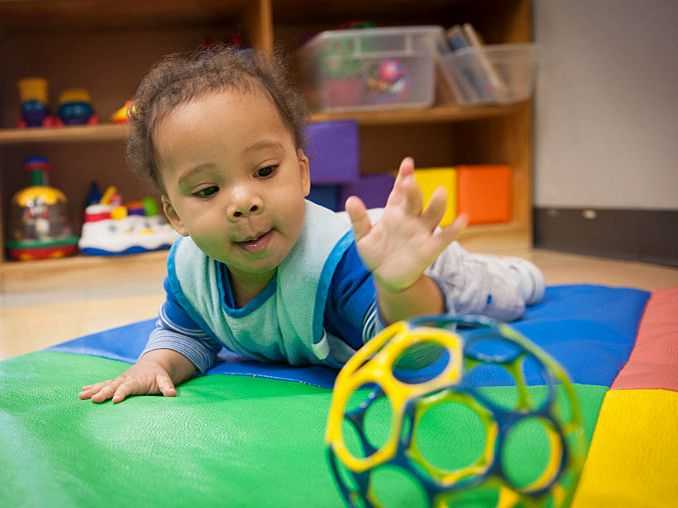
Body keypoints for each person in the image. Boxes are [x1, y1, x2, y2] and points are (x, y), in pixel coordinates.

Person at [80, 46, 544, 404]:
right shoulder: (191, 272)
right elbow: (186, 334)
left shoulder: (334, 265)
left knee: (502, 295)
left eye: (264, 171)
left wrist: (401, 284)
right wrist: (153, 362)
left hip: (408, 266)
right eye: (207, 191)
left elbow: (412, 353)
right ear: (176, 215)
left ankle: (520, 274)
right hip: (391, 266)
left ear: (302, 173)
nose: (243, 202)